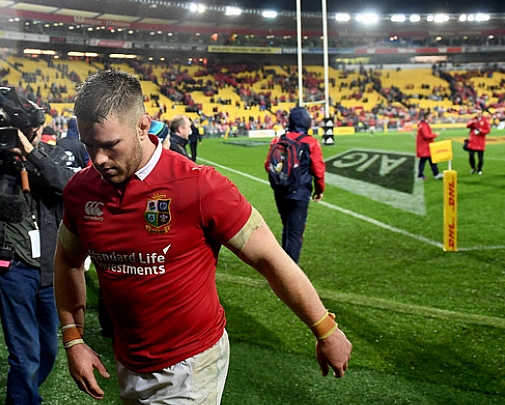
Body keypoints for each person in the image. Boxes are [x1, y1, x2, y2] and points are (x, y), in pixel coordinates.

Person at [54, 71, 351, 403]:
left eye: (109, 145)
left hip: (190, 365)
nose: (97, 159)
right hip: (128, 359)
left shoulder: (200, 187)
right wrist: (73, 339)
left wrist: (326, 329)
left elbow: (270, 258)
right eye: (89, 145)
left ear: (142, 126)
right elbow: (68, 258)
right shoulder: (81, 190)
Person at [0, 116, 80, 404]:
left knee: (47, 350)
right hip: (13, 268)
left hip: (50, 268)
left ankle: (24, 395)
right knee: (25, 355)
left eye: (29, 131)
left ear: (38, 129)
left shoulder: (53, 158)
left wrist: (31, 154)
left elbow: (66, 186)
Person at [264, 107, 326, 264]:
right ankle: (289, 274)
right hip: (299, 193)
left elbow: (268, 165)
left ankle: (283, 266)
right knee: (295, 233)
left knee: (287, 228)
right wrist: (319, 190)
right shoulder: (310, 142)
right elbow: (318, 171)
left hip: (280, 191)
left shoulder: (278, 140)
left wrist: (282, 177)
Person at [416, 111, 442, 180]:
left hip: (426, 146)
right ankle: (421, 175)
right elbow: (426, 136)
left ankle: (435, 174)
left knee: (431, 160)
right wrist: (435, 135)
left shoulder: (423, 125)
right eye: (431, 117)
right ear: (427, 117)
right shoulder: (424, 125)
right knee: (424, 161)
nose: (432, 118)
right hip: (425, 146)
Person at [466, 108, 490, 175]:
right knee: (471, 155)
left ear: (482, 113)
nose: (478, 114)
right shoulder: (473, 119)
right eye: (477, 113)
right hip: (472, 141)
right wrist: (472, 123)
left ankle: (479, 169)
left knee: (480, 157)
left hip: (480, 141)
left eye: (479, 113)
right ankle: (473, 168)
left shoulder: (485, 120)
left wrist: (481, 131)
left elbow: (488, 130)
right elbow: (467, 126)